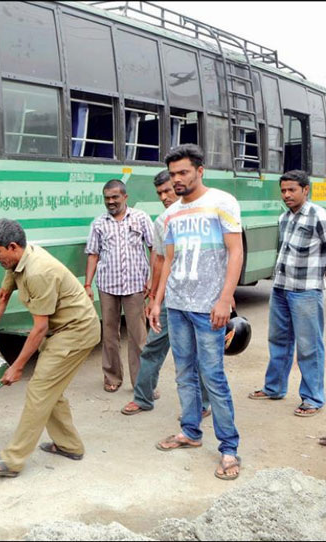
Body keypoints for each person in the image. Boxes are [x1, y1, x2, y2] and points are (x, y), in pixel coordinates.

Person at [0, 219, 100, 477]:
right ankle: (69, 445)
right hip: (61, 329)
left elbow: (39, 328)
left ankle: (12, 460)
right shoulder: (18, 260)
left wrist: (17, 367)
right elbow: (2, 297)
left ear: (12, 246)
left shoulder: (38, 272)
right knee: (50, 389)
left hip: (76, 332)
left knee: (40, 390)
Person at [148, 144, 243, 481]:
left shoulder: (221, 202)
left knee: (213, 376)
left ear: (200, 171)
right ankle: (190, 431)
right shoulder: (171, 214)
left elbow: (235, 252)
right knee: (183, 373)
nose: (177, 180)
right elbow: (168, 261)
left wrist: (224, 298)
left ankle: (229, 447)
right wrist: (158, 300)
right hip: (177, 305)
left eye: (183, 172)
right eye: (173, 174)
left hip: (208, 308)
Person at [120, 170, 210, 417]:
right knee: (152, 349)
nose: (164, 197)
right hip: (171, 299)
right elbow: (160, 261)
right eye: (159, 193)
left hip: (200, 298)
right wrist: (154, 300)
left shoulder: (202, 213)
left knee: (198, 353)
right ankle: (143, 398)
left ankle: (203, 405)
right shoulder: (162, 221)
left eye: (167, 191)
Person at [248, 170, 326, 417]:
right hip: (281, 288)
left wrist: (323, 270)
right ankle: (274, 387)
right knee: (278, 341)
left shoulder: (319, 216)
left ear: (305, 190)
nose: (286, 195)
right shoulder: (285, 218)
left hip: (306, 291)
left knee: (309, 346)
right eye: (283, 190)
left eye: (292, 190)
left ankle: (313, 398)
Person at [84, 179, 154, 393]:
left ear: (125, 197)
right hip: (107, 286)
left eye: (115, 197)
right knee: (109, 334)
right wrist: (87, 284)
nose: (111, 202)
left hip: (135, 287)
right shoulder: (98, 224)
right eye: (107, 198)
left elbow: (154, 249)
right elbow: (93, 255)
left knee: (138, 336)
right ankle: (112, 376)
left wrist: (152, 279)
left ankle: (142, 383)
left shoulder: (141, 218)